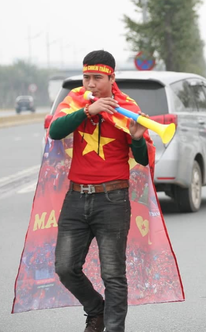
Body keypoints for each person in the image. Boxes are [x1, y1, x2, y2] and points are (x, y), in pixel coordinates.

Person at [49, 50, 150, 332]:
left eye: (97, 78)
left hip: (113, 199)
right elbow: (55, 131)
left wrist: (138, 138)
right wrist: (87, 111)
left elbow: (142, 159)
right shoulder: (75, 101)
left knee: (113, 275)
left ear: (111, 77)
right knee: (65, 268)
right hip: (76, 197)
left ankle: (115, 328)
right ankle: (97, 310)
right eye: (86, 77)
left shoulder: (127, 106)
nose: (90, 84)